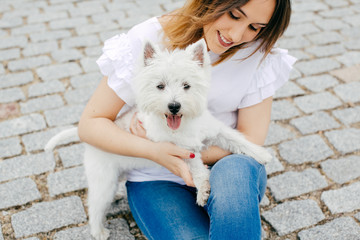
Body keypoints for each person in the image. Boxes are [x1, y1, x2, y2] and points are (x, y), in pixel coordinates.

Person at [78, 0, 295, 239]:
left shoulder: (257, 52)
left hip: (228, 165)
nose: (237, 35)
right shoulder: (148, 38)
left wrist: (186, 153)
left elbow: (251, 139)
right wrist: (154, 151)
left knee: (235, 180)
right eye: (234, 15)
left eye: (255, 27)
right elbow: (91, 124)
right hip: (155, 177)